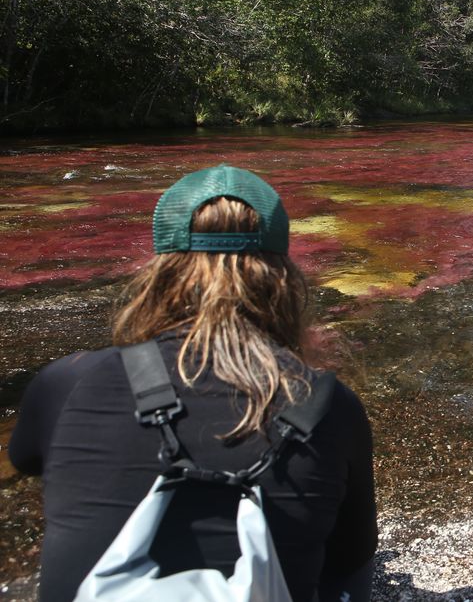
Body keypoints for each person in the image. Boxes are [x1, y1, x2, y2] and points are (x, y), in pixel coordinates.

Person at [7, 165, 377, 602]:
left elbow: (25, 459)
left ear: (159, 270)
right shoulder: (328, 404)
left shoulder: (68, 381)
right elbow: (351, 555)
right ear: (283, 277)